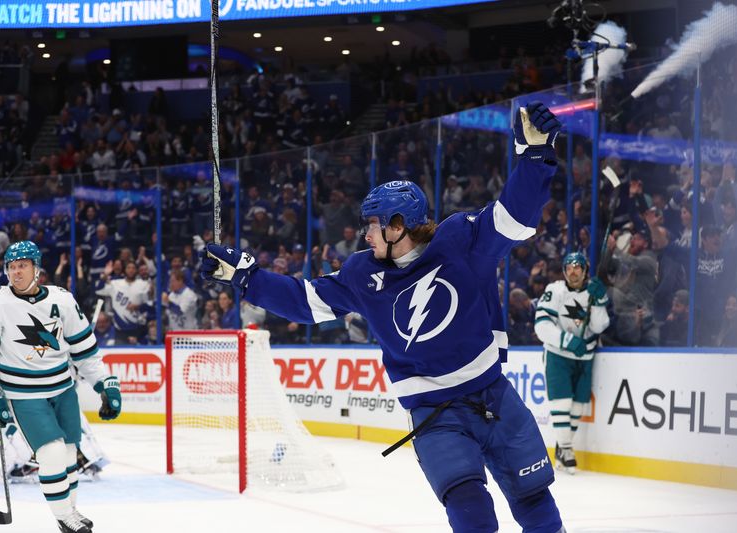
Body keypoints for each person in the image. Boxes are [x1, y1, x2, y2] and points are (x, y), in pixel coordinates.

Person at [200, 102, 566, 533]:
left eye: (372, 225)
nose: (365, 233)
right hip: (435, 414)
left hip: (494, 396)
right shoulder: (361, 272)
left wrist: (535, 158)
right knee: (471, 512)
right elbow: (306, 301)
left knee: (535, 502)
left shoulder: (461, 241)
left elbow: (515, 218)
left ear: (398, 225)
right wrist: (248, 277)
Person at [0, 241, 121, 533]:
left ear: (37, 268)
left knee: (70, 453)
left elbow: (85, 349)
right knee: (52, 453)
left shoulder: (62, 300)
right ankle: (63, 518)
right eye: (11, 267)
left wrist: (104, 384)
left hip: (63, 389)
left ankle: (70, 510)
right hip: (24, 395)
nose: (15, 273)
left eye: (22, 266)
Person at [533, 252, 610, 474]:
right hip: (558, 356)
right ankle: (566, 448)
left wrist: (599, 302)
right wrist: (566, 340)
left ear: (585, 270)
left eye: (578, 267)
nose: (573, 271)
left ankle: (562, 447)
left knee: (578, 406)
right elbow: (542, 325)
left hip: (585, 357)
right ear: (564, 271)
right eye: (569, 267)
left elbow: (599, 326)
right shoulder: (555, 290)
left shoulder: (592, 292)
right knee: (562, 403)